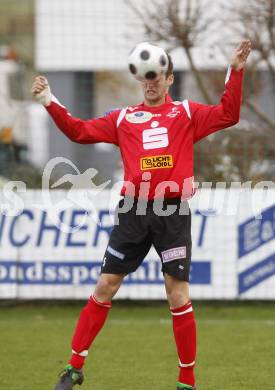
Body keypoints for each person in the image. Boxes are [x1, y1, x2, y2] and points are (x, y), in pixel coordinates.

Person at [32, 39, 251, 390]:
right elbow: (78, 130)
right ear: (140, 78)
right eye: (146, 77)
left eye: (157, 76)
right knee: (105, 285)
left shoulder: (187, 113)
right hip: (134, 210)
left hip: (173, 211)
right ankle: (73, 368)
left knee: (176, 293)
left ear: (168, 79)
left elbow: (229, 113)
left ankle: (186, 381)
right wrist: (48, 100)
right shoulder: (122, 119)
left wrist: (235, 71)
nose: (151, 82)